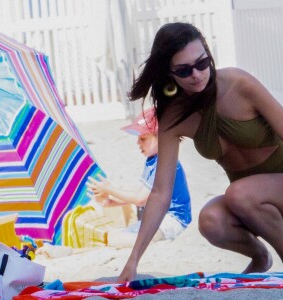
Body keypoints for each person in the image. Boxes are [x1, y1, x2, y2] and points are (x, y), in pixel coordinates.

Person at [117, 22, 283, 282]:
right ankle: (260, 258)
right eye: (184, 70)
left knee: (238, 194)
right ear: (169, 73)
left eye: (202, 63)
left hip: (272, 186)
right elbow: (161, 192)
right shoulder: (174, 116)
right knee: (210, 219)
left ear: (208, 54)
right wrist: (133, 261)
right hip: (251, 202)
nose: (196, 74)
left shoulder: (239, 84)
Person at [87, 107, 191, 247]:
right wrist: (111, 202)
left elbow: (140, 199)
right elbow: (141, 196)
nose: (138, 143)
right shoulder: (152, 161)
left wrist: (109, 189)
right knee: (114, 236)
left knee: (116, 239)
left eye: (142, 138)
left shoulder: (165, 162)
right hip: (158, 216)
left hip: (174, 220)